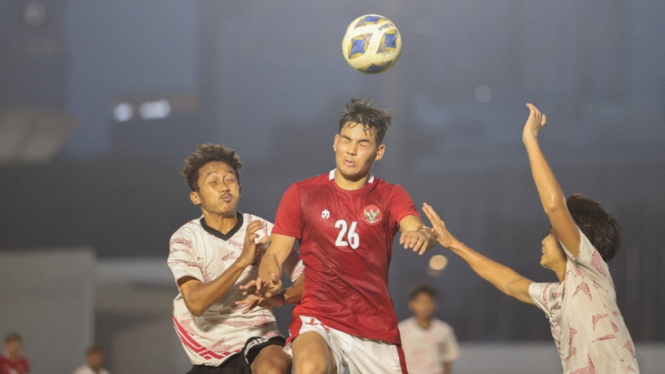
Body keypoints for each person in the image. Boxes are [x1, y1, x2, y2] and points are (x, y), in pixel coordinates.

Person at [422, 103, 639, 373]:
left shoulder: (590, 271)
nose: (543, 240)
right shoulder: (557, 295)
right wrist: (453, 244)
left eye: (550, 232)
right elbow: (511, 282)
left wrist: (530, 140)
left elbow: (554, 206)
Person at [252, 98, 435, 374]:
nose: (351, 150)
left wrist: (422, 235)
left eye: (363, 144)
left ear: (379, 152)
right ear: (335, 141)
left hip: (374, 325)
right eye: (346, 140)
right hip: (318, 316)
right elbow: (275, 253)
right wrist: (267, 275)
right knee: (310, 367)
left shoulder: (390, 195)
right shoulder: (302, 193)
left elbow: (415, 226)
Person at [167, 143, 305, 374]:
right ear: (195, 196)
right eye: (213, 182)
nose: (224, 187)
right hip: (207, 347)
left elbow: (310, 278)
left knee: (274, 367)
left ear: (240, 187)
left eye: (230, 180)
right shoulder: (185, 239)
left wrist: (281, 297)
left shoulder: (265, 231)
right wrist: (242, 261)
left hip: (259, 334)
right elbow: (196, 303)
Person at [398, 284, 460, 374]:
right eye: (420, 302)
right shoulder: (401, 330)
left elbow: (448, 359)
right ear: (411, 304)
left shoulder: (444, 330)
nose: (424, 306)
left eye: (428, 302)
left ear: (434, 304)